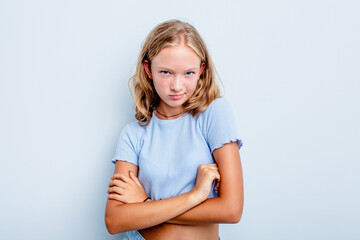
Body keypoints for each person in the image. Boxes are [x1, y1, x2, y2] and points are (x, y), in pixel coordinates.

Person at [105, 19, 244, 240]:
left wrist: (145, 205)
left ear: (201, 70)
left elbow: (231, 209)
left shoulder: (214, 114)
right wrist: (195, 196)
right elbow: (115, 221)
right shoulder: (133, 134)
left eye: (188, 73)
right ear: (148, 69)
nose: (177, 86)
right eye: (166, 72)